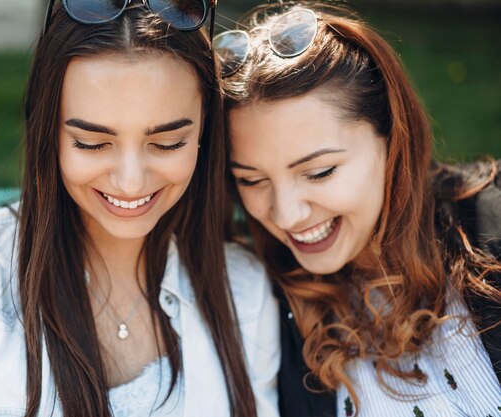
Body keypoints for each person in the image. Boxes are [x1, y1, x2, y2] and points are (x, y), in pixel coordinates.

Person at [0, 1, 280, 416]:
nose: (131, 181)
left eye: (167, 144)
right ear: (48, 133)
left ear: (204, 132)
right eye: (92, 144)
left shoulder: (244, 293)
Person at [215, 3, 501, 417]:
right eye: (252, 180)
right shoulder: (263, 312)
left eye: (319, 172)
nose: (287, 216)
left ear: (392, 139)